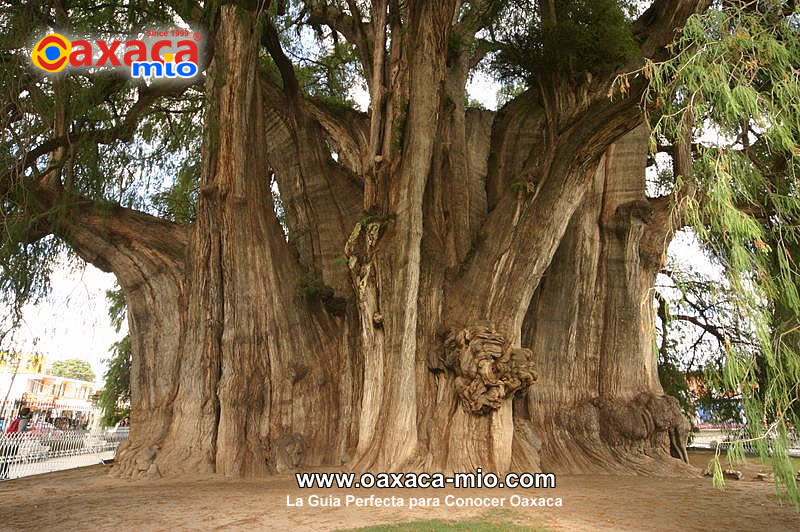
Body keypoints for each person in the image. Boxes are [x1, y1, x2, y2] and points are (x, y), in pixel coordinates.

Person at [0, 407, 32, 480]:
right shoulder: (24, 420)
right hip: (14, 442)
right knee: (8, 458)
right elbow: (20, 431)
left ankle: (3, 474)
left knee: (5, 458)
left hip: (8, 440)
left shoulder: (18, 419)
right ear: (28, 413)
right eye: (29, 412)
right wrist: (28, 430)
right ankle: (3, 474)